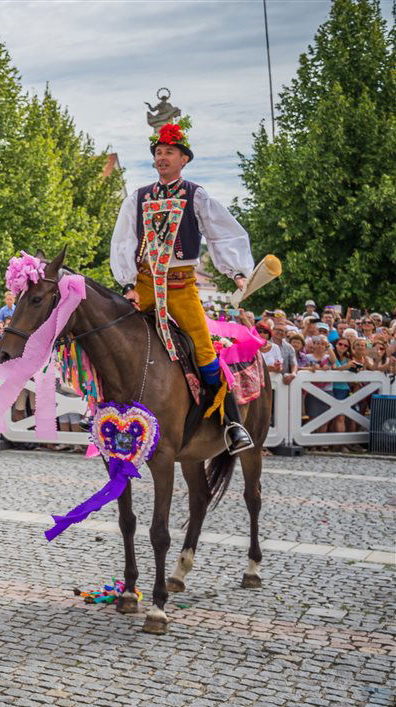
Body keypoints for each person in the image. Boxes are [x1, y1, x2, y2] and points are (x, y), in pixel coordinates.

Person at [110, 115, 256, 454]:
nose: (162, 157)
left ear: (183, 159)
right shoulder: (138, 198)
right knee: (111, 334)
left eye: (169, 152)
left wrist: (236, 270)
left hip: (181, 286)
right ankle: (104, 409)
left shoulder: (196, 196)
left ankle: (231, 423)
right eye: (159, 152)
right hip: (145, 284)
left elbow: (224, 233)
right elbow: (123, 241)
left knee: (204, 349)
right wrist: (128, 284)